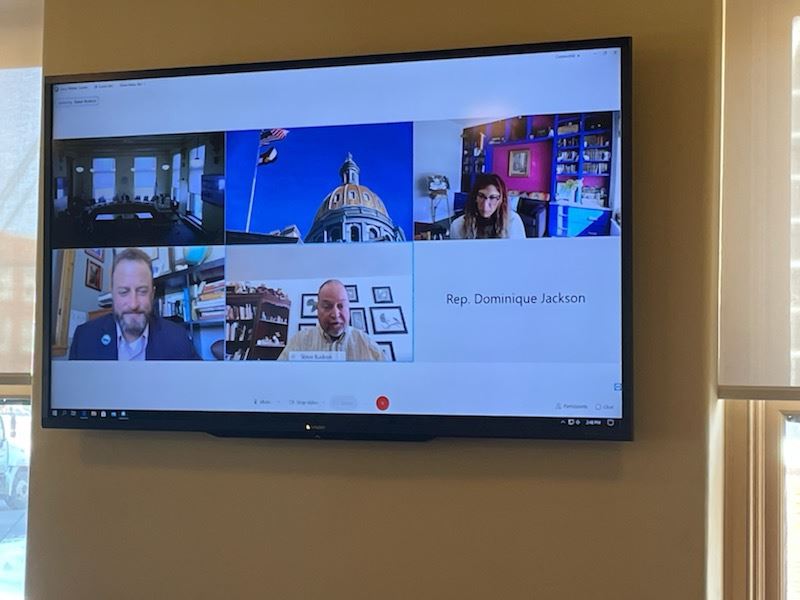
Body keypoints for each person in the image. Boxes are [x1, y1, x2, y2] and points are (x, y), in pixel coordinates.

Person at [69, 248, 200, 360]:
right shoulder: (83, 337)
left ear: (152, 294)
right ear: (113, 294)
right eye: (124, 292)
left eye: (142, 291)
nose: (133, 304)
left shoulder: (178, 338)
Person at [278, 279, 384, 361]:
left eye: (341, 306)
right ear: (318, 309)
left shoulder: (366, 344)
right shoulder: (299, 341)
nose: (335, 314)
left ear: (348, 308)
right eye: (327, 306)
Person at [449, 173, 527, 239]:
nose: (485, 205)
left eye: (492, 198)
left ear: (501, 200)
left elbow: (519, 254)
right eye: (481, 196)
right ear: (475, 197)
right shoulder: (458, 225)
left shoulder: (513, 222)